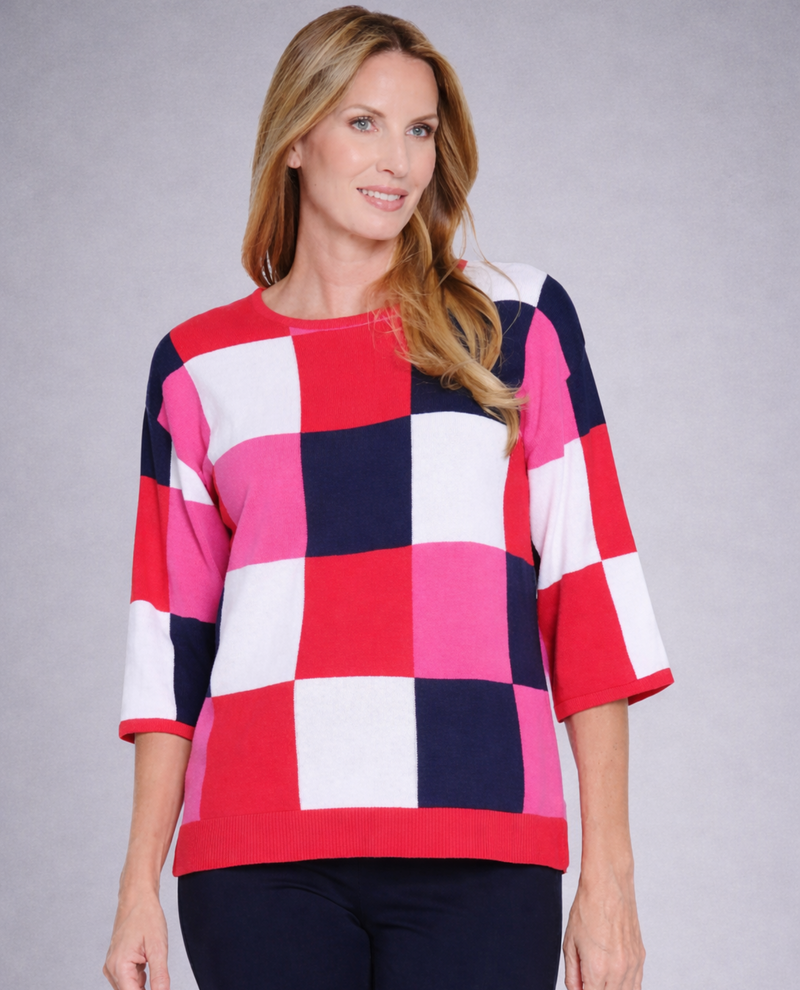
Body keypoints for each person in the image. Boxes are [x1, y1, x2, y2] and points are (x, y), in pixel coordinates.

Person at [103, 7, 673, 990]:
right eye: (363, 122)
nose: (397, 160)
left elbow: (587, 596)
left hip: (480, 835)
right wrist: (135, 885)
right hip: (256, 847)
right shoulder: (199, 365)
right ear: (295, 138)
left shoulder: (513, 320)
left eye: (420, 130)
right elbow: (170, 641)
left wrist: (609, 877)